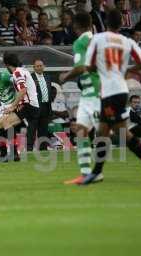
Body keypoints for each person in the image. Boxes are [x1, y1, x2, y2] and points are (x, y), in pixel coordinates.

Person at [82, 9, 141, 185]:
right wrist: (127, 70)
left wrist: (101, 70)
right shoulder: (128, 41)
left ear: (106, 23)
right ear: (120, 24)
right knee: (109, 132)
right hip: (121, 90)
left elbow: (88, 66)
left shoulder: (98, 38)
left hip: (110, 92)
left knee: (115, 134)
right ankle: (98, 172)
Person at [59, 12, 103, 184]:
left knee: (114, 133)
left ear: (75, 26)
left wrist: (65, 76)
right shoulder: (98, 40)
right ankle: (87, 174)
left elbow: (80, 67)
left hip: (94, 94)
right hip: (91, 93)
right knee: (81, 131)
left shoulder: (80, 42)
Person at [1, 52, 40, 161]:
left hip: (29, 105)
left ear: (7, 64)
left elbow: (23, 90)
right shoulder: (23, 71)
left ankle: (13, 154)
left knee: (6, 122)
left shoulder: (17, 73)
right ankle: (16, 153)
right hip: (32, 105)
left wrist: (13, 106)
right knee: (10, 123)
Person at [31, 59, 53, 151]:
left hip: (46, 106)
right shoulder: (30, 78)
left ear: (44, 66)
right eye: (37, 66)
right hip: (35, 107)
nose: (40, 67)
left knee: (43, 129)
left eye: (41, 65)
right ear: (34, 67)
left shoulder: (48, 77)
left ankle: (43, 148)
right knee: (32, 129)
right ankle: (29, 148)